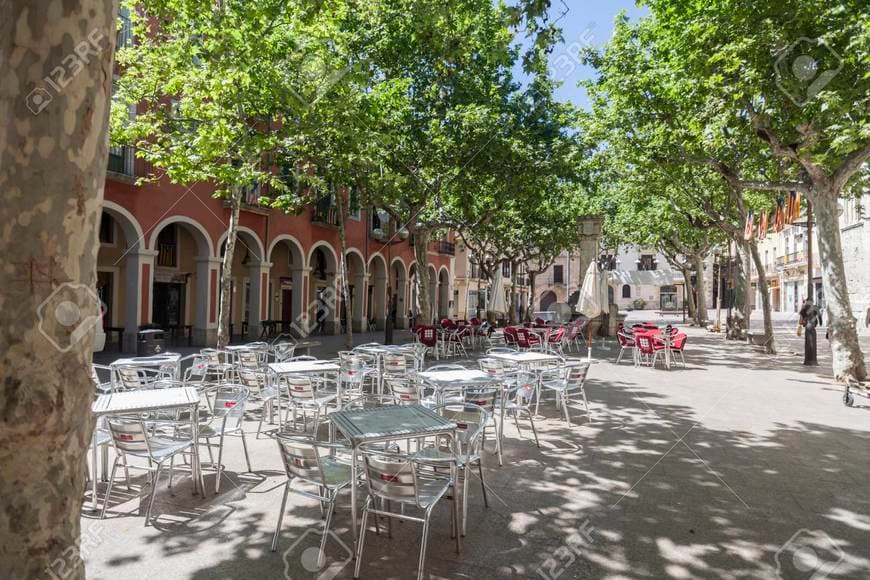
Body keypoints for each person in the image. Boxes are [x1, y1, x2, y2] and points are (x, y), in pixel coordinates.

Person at [799, 298, 822, 366]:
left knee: (809, 340)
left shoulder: (812, 308)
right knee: (809, 340)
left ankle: (810, 360)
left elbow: (819, 316)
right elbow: (819, 316)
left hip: (809, 325)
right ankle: (810, 360)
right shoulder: (812, 307)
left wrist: (801, 322)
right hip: (810, 325)